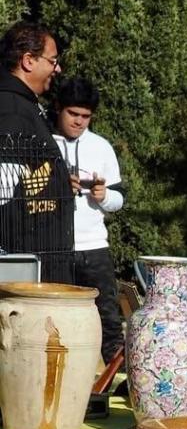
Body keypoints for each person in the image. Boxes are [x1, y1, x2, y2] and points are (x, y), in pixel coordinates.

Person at [52, 77, 124, 364]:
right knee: (56, 322)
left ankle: (119, 380)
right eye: (73, 114)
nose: (79, 122)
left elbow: (119, 199)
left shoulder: (101, 146)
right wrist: (57, 188)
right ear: (58, 108)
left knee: (109, 318)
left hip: (94, 248)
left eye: (85, 116)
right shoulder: (43, 142)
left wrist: (103, 195)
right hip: (55, 248)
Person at [0, 21, 71, 281]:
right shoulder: (12, 109)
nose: (58, 68)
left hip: (38, 265)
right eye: (53, 61)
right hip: (24, 274)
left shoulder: (23, 104)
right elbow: (3, 188)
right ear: (28, 60)